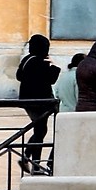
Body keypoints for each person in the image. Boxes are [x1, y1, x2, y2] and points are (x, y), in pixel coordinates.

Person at [15, 35, 60, 172]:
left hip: (28, 101)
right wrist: (54, 66)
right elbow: (51, 79)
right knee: (40, 131)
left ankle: (30, 161)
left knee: (39, 130)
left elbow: (19, 76)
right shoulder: (41, 61)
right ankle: (32, 162)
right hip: (41, 102)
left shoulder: (27, 59)